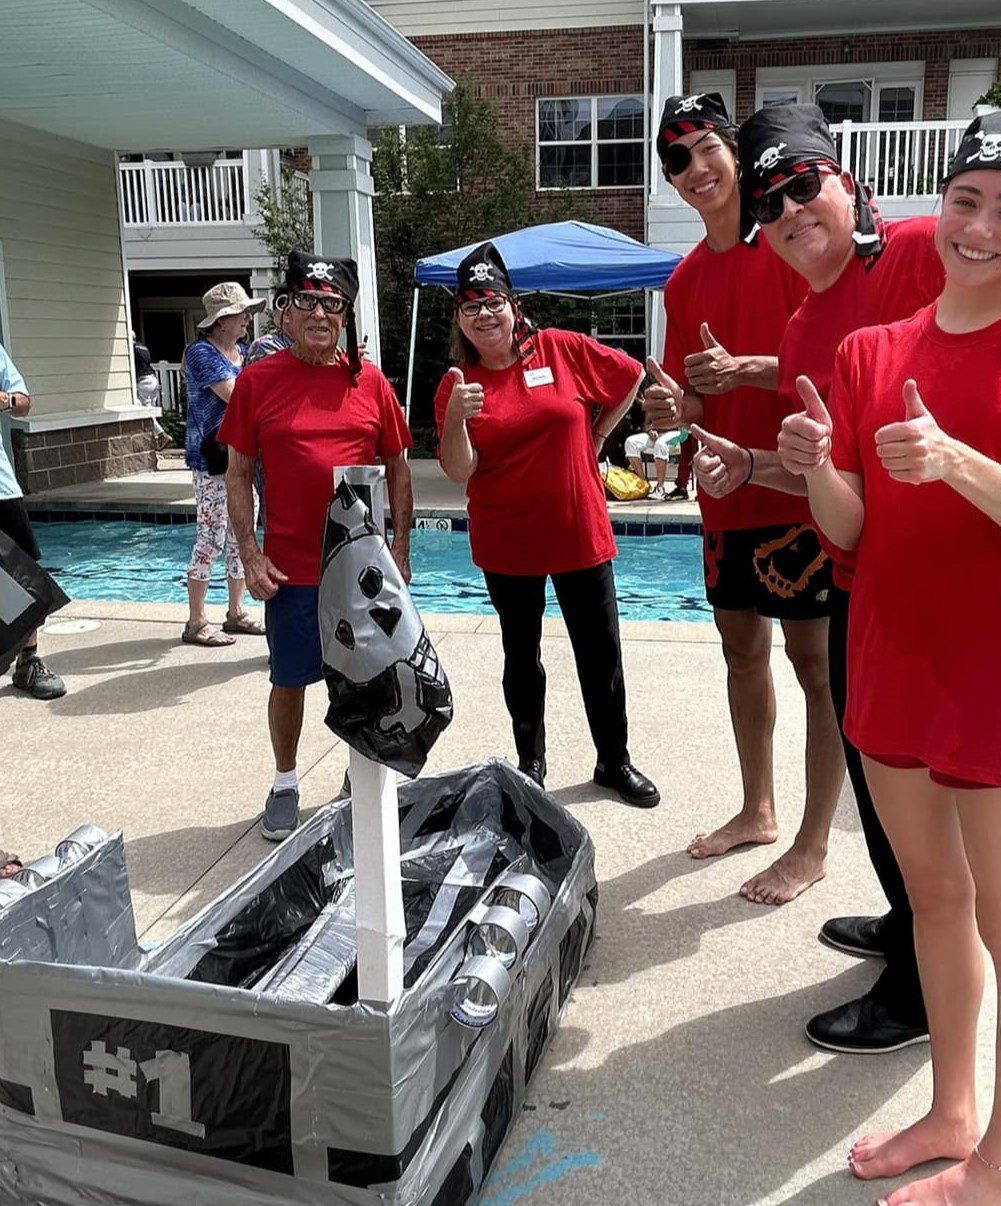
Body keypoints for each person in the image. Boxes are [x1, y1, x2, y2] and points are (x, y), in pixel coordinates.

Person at [782, 104, 1001, 1205]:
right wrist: (813, 465)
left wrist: (956, 461)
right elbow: (850, 532)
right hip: (896, 659)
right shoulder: (870, 350)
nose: (980, 228)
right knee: (933, 903)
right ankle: (951, 1111)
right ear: (938, 207)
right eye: (966, 201)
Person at [687, 101, 946, 1052]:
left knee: (928, 789)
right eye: (771, 202)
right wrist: (749, 465)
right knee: (876, 770)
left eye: (804, 184)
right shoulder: (803, 331)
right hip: (862, 574)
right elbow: (819, 470)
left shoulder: (915, 253)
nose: (791, 210)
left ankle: (922, 988)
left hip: (943, 578)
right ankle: (907, 924)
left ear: (846, 181)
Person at [643, 94, 842, 889]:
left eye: (705, 149)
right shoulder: (684, 281)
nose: (695, 170)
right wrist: (674, 408)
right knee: (740, 653)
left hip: (800, 491)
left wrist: (745, 371)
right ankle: (758, 809)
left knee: (816, 666)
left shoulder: (792, 245)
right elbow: (695, 399)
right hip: (727, 493)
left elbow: (835, 366)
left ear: (733, 152)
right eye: (677, 161)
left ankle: (814, 844)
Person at [434, 241, 658, 807]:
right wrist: (456, 418)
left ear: (514, 306)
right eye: (470, 305)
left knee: (600, 653)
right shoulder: (458, 382)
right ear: (460, 318)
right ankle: (530, 763)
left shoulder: (559, 349)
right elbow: (460, 469)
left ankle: (614, 760)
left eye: (493, 301)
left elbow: (631, 374)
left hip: (578, 529)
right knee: (521, 656)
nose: (484, 314)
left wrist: (599, 435)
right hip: (508, 539)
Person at [221, 251, 413, 840]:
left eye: (333, 304)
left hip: (360, 570)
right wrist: (250, 554)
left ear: (346, 315)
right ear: (287, 312)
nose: (320, 314)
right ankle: (285, 782)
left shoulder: (370, 381)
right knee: (289, 680)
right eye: (308, 302)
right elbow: (237, 473)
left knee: (367, 680)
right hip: (292, 570)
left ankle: (360, 775)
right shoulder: (258, 381)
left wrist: (401, 548)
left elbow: (398, 466)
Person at [181, 282, 265, 648]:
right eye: (241, 313)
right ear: (221, 320)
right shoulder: (201, 353)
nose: (248, 318)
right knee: (211, 537)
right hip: (212, 461)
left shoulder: (243, 352)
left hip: (242, 459)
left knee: (241, 535)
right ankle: (196, 620)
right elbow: (238, 397)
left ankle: (236, 612)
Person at [0, 343, 66, 700]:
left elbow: (24, 401)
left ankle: (28, 661)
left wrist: (7, 400)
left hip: (1, 487)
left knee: (21, 576)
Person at [132, 338, 170, 447]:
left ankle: (162, 435)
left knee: (145, 412)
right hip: (153, 379)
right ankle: (155, 440)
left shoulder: (132, 349)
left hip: (143, 381)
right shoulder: (143, 347)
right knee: (151, 412)